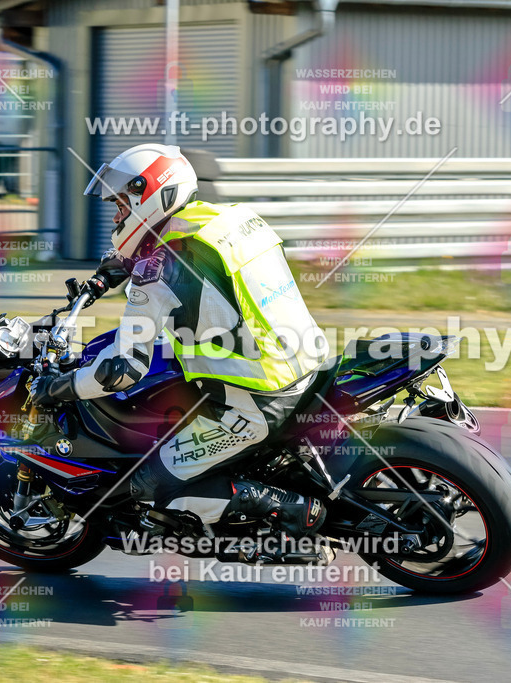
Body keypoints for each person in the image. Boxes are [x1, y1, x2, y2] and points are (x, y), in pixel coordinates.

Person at [31, 143, 330, 536]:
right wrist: (126, 260)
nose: (117, 215)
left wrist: (60, 387)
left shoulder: (156, 274)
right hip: (309, 363)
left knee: (150, 486)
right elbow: (193, 261)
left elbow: (121, 371)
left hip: (257, 399)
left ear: (152, 195)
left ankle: (292, 508)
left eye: (121, 204)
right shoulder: (232, 219)